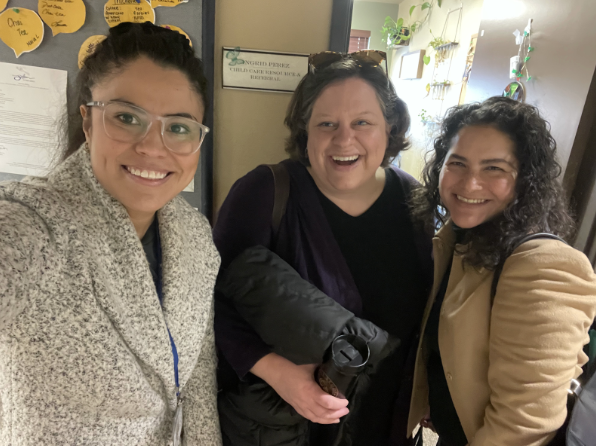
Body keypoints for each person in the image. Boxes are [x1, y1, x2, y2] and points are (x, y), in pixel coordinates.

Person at [0, 23, 221, 446]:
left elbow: (195, 386)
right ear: (87, 121)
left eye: (178, 127)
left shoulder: (195, 237)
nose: (153, 147)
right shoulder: (35, 226)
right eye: (126, 117)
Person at [213, 51, 433, 445]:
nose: (344, 139)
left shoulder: (414, 202)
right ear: (305, 132)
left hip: (384, 422)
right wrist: (277, 371)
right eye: (326, 124)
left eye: (362, 122)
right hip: (285, 424)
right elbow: (210, 303)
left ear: (390, 127)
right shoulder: (264, 194)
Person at [408, 97, 596, 446]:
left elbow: (525, 424)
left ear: (526, 180)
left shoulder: (545, 265)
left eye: (494, 168)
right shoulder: (459, 242)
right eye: (458, 163)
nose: (470, 183)